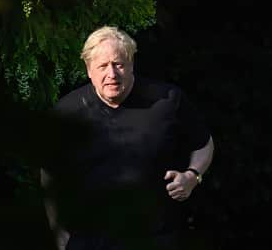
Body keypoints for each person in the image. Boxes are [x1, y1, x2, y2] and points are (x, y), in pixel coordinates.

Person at [40, 25, 214, 250]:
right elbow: (50, 173)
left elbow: (204, 143)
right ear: (88, 70)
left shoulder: (168, 100)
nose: (111, 74)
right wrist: (58, 231)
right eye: (102, 66)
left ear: (131, 64)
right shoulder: (66, 113)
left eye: (118, 64)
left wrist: (192, 176)